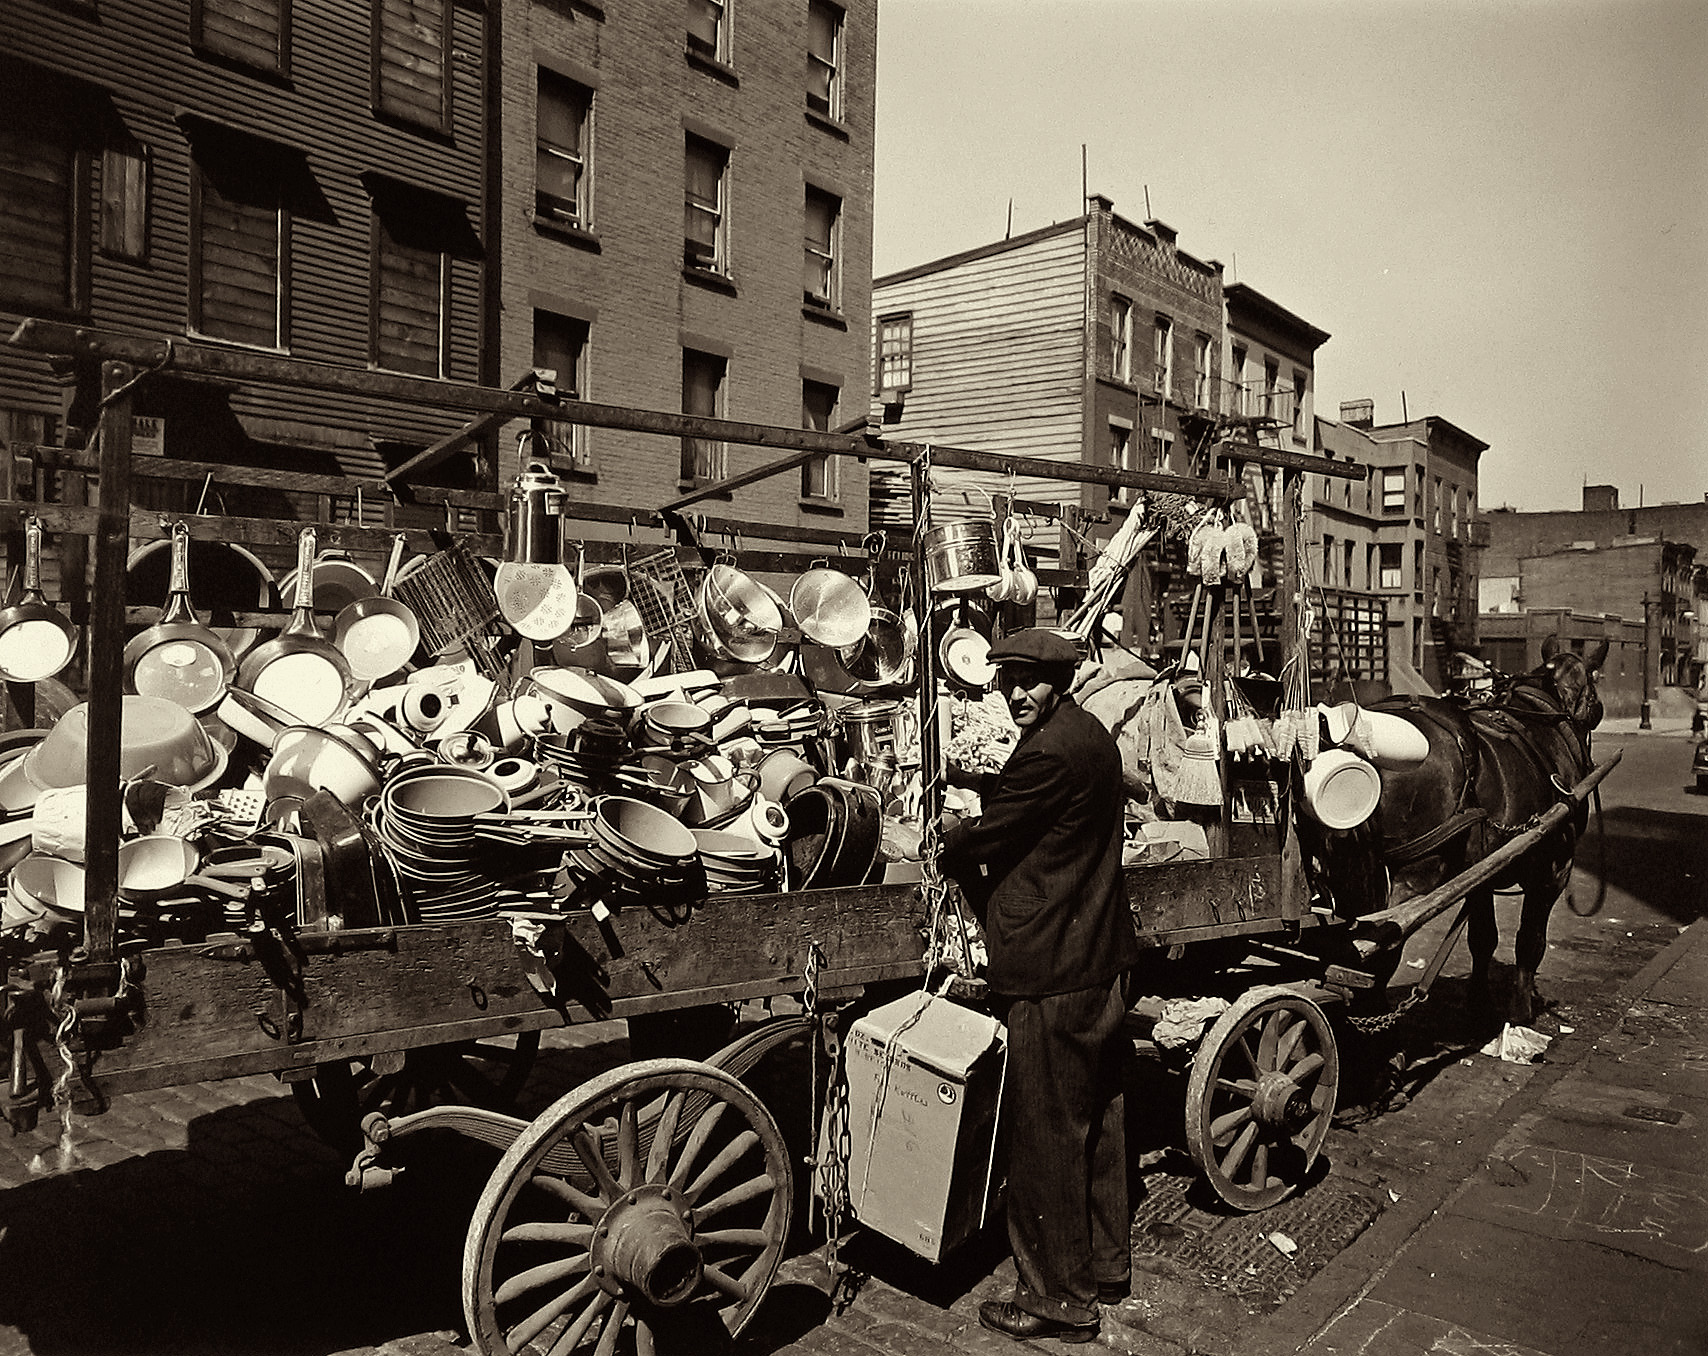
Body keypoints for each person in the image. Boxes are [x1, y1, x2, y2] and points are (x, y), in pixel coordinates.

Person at [940, 627, 1141, 1345]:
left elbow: (989, 835)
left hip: (1054, 969)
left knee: (1047, 1134)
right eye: (1006, 681)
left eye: (1028, 681)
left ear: (1059, 678)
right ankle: (1107, 1267)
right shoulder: (1088, 733)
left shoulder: (1051, 750)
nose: (1014, 693)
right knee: (1100, 1121)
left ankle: (1060, 1299)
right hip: (1100, 960)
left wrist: (951, 836)